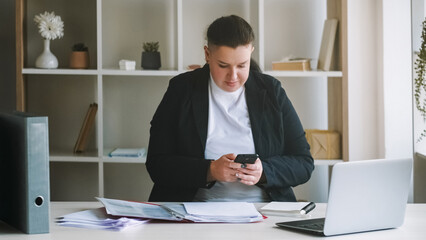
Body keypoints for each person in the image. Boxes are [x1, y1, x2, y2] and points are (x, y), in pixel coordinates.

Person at [146, 15, 314, 202]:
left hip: (263, 212)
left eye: (242, 65)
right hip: (196, 213)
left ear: (251, 52)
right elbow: (157, 164)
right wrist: (209, 171)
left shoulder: (271, 91)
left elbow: (303, 162)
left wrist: (264, 171)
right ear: (207, 54)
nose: (233, 76)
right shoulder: (181, 90)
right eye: (223, 65)